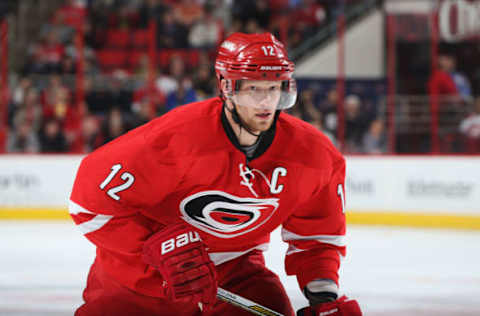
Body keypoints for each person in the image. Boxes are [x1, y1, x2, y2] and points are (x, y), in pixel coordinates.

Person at [69, 32, 362, 316]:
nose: (265, 103)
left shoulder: (314, 156)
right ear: (227, 87)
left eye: (273, 89)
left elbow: (318, 237)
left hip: (235, 277)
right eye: (253, 89)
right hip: (138, 283)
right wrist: (149, 248)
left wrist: (324, 299)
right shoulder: (174, 140)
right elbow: (88, 202)